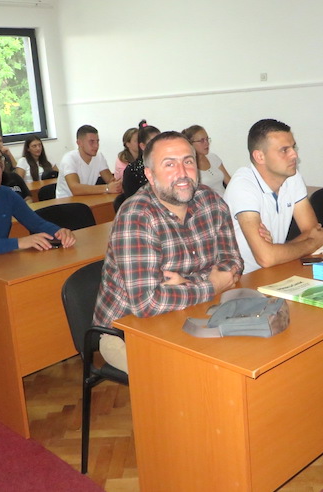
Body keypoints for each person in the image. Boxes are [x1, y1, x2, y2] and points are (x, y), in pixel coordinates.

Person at [93, 131, 243, 373]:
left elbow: (233, 262)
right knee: (190, 375)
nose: (182, 172)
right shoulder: (136, 216)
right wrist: (211, 285)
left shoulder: (211, 201)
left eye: (188, 161)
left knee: (239, 359)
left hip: (192, 313)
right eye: (170, 164)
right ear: (150, 175)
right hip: (126, 331)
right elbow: (146, 303)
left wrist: (186, 282)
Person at [223, 119, 323, 274]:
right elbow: (266, 258)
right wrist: (310, 244)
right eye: (284, 150)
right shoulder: (242, 185)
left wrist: (275, 250)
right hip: (242, 278)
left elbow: (314, 231)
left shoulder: (292, 177)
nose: (294, 155)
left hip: (274, 269)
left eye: (293, 147)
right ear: (260, 157)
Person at [55, 125, 122, 198]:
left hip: (87, 197)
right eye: (91, 142)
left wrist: (118, 184)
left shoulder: (99, 156)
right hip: (66, 201)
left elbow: (110, 180)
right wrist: (107, 188)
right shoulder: (69, 158)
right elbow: (75, 189)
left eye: (97, 141)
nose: (96, 146)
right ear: (79, 143)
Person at [182, 124, 231, 195]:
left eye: (207, 139)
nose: (207, 143)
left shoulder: (213, 158)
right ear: (191, 144)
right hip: (208, 201)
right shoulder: (189, 166)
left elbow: (230, 182)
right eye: (202, 140)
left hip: (226, 199)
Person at [121, 120, 160, 200]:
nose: (159, 146)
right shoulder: (132, 170)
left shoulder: (166, 164)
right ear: (142, 146)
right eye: (153, 142)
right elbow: (131, 199)